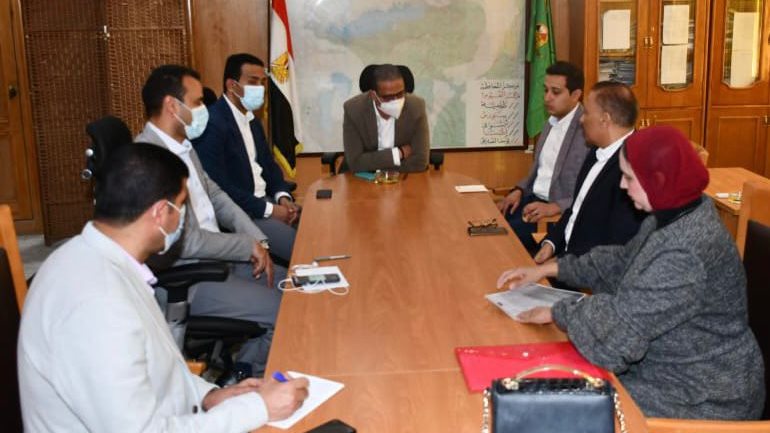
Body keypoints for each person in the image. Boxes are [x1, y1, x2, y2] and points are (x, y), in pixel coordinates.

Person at [17, 142, 309, 432]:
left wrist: (208, 395)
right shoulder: (96, 305)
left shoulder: (101, 259)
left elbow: (158, 371)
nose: (183, 220)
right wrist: (257, 408)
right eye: (181, 207)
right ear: (159, 212)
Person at [497, 125, 765, 420]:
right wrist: (550, 268)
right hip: (668, 372)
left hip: (701, 396)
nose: (622, 186)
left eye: (628, 177)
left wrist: (559, 312)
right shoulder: (675, 214)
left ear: (657, 181)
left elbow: (617, 340)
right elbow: (621, 261)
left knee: (548, 408)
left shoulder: (684, 252)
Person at [136, 64, 282, 376]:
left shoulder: (183, 145)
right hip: (189, 276)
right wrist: (246, 245)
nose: (204, 109)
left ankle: (246, 363)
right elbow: (186, 241)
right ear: (172, 106)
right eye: (198, 101)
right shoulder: (149, 159)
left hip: (220, 256)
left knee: (296, 287)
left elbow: (215, 195)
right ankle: (245, 376)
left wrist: (257, 238)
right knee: (284, 311)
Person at [194, 53, 298, 263]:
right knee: (302, 247)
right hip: (246, 213)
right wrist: (270, 210)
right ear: (232, 85)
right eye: (253, 82)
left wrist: (282, 197)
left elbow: (268, 165)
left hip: (269, 202)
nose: (260, 88)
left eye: (262, 82)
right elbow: (220, 187)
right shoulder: (213, 124)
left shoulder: (251, 119)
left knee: (317, 226)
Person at [533, 81, 645, 265]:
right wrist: (550, 243)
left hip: (587, 270)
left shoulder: (633, 169)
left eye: (586, 112)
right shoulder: (595, 151)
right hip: (563, 255)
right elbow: (576, 209)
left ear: (604, 119)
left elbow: (615, 245)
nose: (581, 119)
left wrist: (559, 266)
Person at [497, 61, 590, 253]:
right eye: (546, 90)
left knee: (502, 240)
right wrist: (519, 190)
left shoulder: (587, 131)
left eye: (556, 92)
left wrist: (556, 207)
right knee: (488, 224)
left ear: (576, 95)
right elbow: (539, 172)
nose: (547, 98)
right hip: (532, 201)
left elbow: (590, 190)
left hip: (556, 214)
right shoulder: (549, 122)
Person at [343, 63, 429, 173]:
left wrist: (373, 165)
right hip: (362, 179)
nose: (396, 100)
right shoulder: (353, 110)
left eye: (400, 94)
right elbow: (356, 163)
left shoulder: (416, 107)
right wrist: (399, 153)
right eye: (388, 97)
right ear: (373, 95)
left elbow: (420, 162)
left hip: (402, 177)